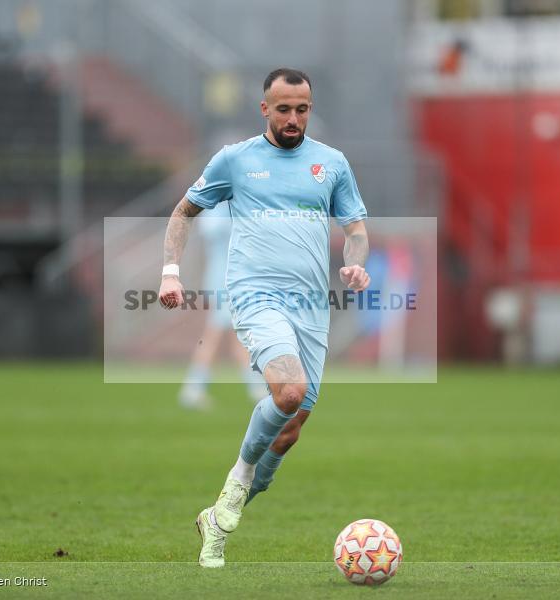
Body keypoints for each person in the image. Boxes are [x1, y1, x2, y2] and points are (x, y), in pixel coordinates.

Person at [158, 68, 370, 567]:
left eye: (302, 109)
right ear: (264, 109)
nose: (293, 118)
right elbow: (182, 212)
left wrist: (355, 260)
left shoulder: (332, 163)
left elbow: (356, 227)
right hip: (254, 296)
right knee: (289, 391)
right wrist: (170, 272)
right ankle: (233, 490)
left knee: (291, 427)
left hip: (312, 307)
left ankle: (219, 516)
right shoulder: (236, 160)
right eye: (283, 109)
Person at [178, 204, 269, 410]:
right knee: (217, 332)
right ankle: (194, 388)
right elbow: (212, 230)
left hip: (237, 279)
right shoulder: (218, 204)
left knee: (237, 334)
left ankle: (255, 387)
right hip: (223, 279)